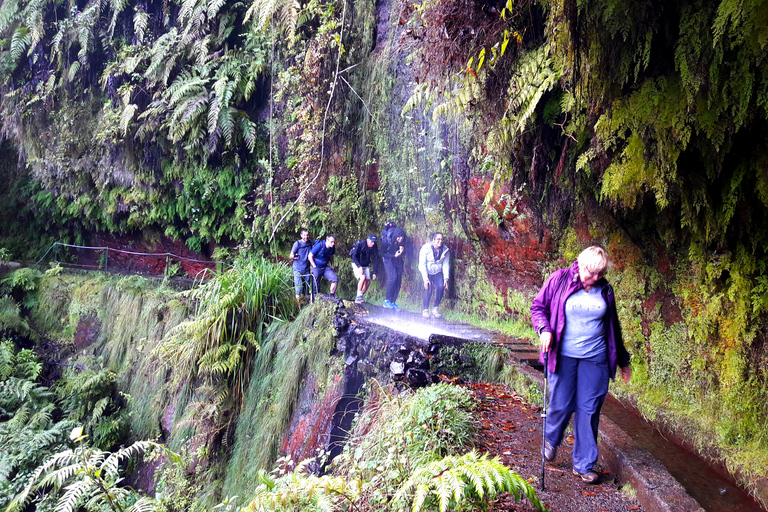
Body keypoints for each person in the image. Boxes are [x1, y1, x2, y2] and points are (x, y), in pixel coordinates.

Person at [530, 246, 631, 484]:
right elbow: (538, 308)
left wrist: (623, 361)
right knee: (561, 405)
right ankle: (552, 439)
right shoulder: (560, 279)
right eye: (591, 272)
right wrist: (544, 330)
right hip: (563, 356)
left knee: (589, 410)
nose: (595, 278)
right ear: (580, 264)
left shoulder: (605, 289)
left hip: (596, 359)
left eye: (600, 273)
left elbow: (613, 326)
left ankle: (583, 464)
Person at [418, 232, 450, 318]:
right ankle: (425, 310)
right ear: (433, 240)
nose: (440, 241)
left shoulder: (445, 250)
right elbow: (422, 264)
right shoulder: (425, 248)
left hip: (437, 271)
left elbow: (446, 264)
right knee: (429, 288)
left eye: (441, 239)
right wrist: (425, 279)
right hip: (426, 271)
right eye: (438, 239)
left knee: (440, 287)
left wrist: (446, 278)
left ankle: (435, 308)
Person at [380, 225, 406, 311]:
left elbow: (404, 248)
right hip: (388, 259)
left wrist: (402, 250)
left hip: (397, 259)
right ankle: (386, 300)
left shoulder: (402, 239)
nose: (400, 240)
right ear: (395, 236)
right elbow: (383, 253)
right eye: (398, 238)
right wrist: (393, 256)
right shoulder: (386, 240)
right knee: (393, 277)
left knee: (398, 280)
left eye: (401, 238)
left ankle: (393, 301)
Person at [350, 234, 379, 304]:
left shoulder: (374, 247)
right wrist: (359, 266)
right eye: (371, 242)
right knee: (362, 277)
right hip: (357, 264)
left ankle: (360, 296)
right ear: (367, 240)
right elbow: (354, 256)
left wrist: (375, 272)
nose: (373, 243)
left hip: (365, 265)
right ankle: (358, 296)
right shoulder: (360, 244)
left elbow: (375, 259)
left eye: (374, 242)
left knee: (368, 282)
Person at [289, 228, 312, 301]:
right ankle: (298, 303)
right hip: (297, 268)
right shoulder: (297, 244)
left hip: (306, 268)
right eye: (304, 235)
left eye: (307, 235)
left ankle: (304, 301)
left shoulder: (310, 243)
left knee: (307, 287)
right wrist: (296, 257)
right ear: (301, 235)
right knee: (298, 286)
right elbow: (291, 255)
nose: (306, 237)